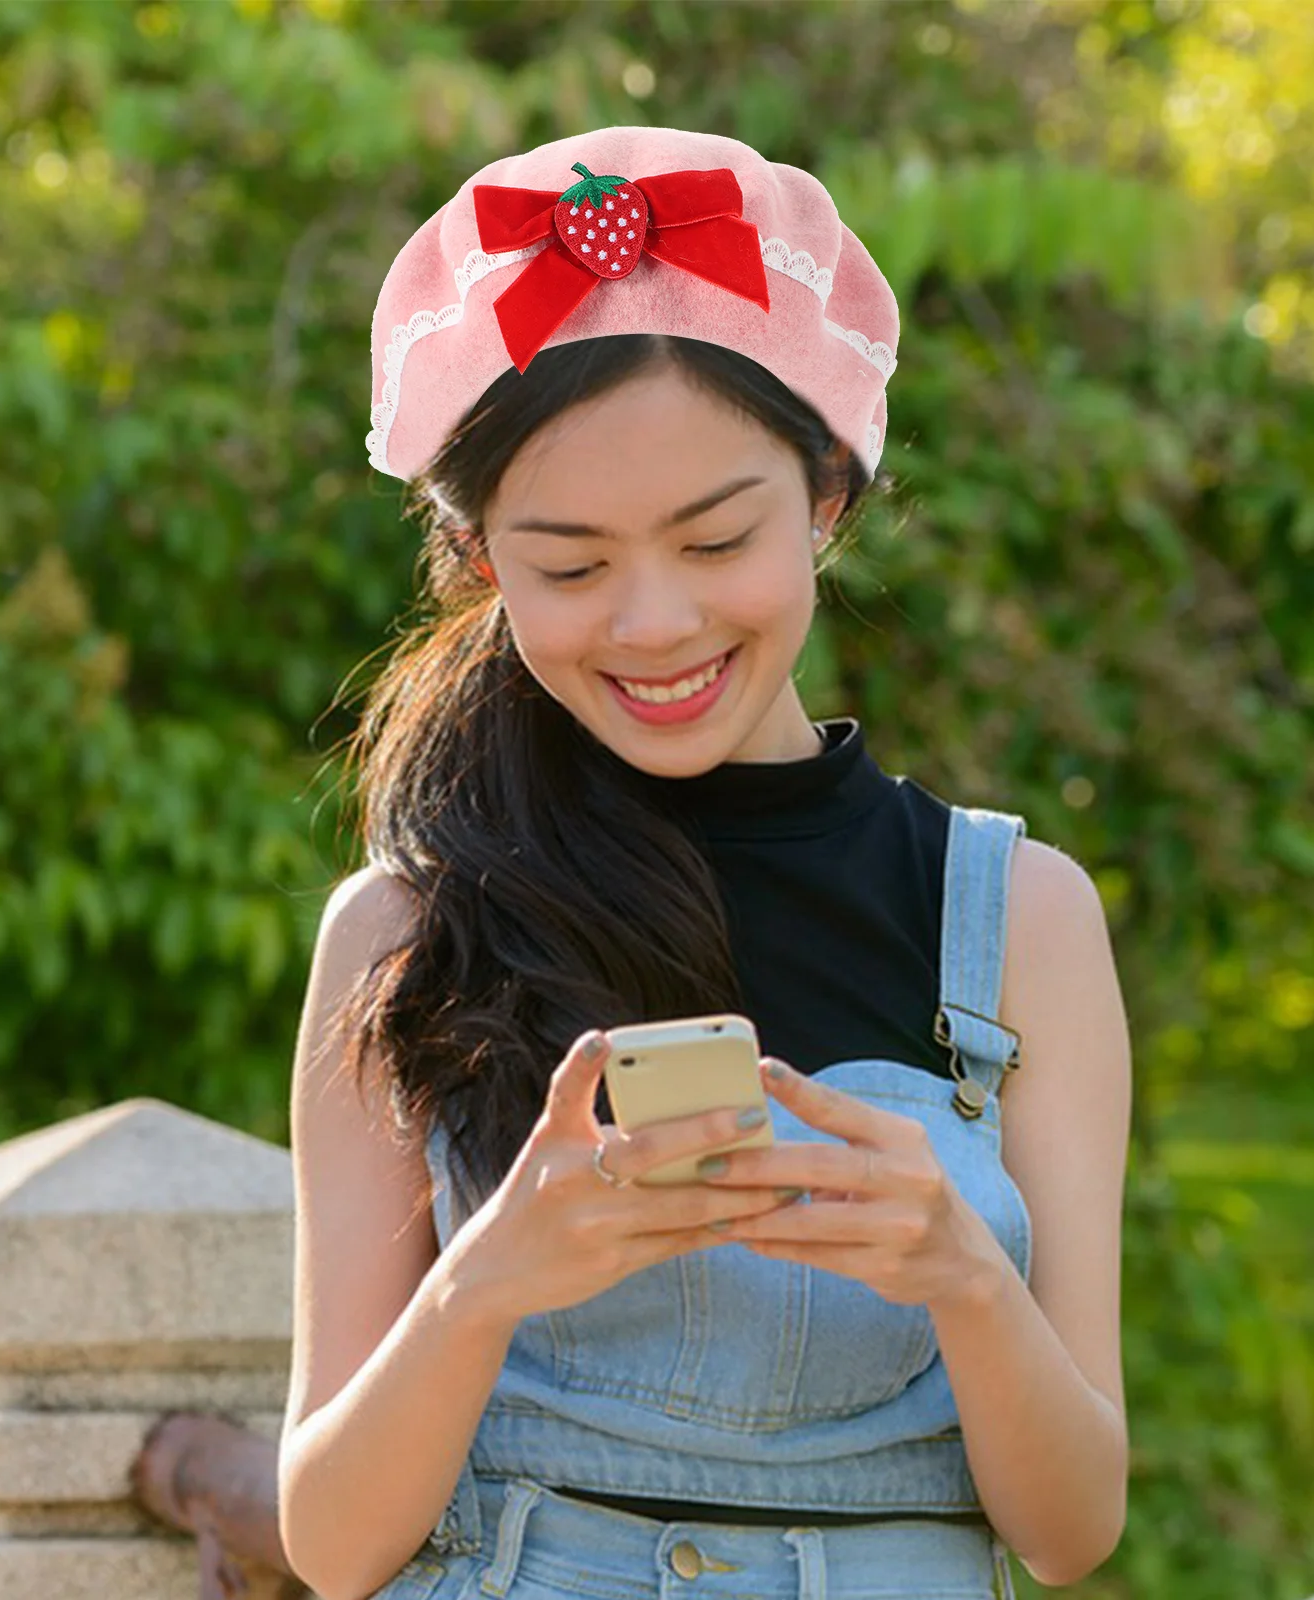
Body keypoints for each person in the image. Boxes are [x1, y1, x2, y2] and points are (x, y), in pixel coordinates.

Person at [277, 126, 1132, 1600]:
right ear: (482, 564)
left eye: (714, 538)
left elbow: (1071, 1534)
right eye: (571, 565)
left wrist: (962, 1275)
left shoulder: (1017, 918)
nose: (654, 624)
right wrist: (488, 1283)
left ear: (825, 497)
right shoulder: (408, 927)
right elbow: (333, 1540)